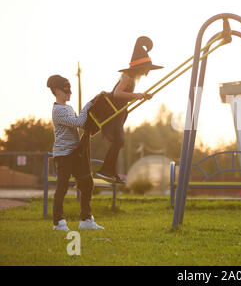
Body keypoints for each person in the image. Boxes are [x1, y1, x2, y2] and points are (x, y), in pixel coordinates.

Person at [94, 36, 163, 183]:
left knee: (119, 141)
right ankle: (106, 171)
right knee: (119, 140)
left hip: (119, 114)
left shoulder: (133, 79)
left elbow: (126, 95)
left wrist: (143, 96)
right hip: (113, 113)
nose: (148, 72)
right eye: (147, 69)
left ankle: (109, 172)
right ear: (140, 68)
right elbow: (117, 93)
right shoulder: (127, 77)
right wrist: (136, 95)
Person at [47, 74, 104, 231]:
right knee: (62, 187)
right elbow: (79, 123)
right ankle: (58, 222)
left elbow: (81, 123)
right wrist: (88, 105)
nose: (69, 92)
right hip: (63, 155)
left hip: (75, 152)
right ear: (57, 91)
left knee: (87, 183)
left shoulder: (68, 108)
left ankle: (86, 220)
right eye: (66, 89)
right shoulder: (58, 110)